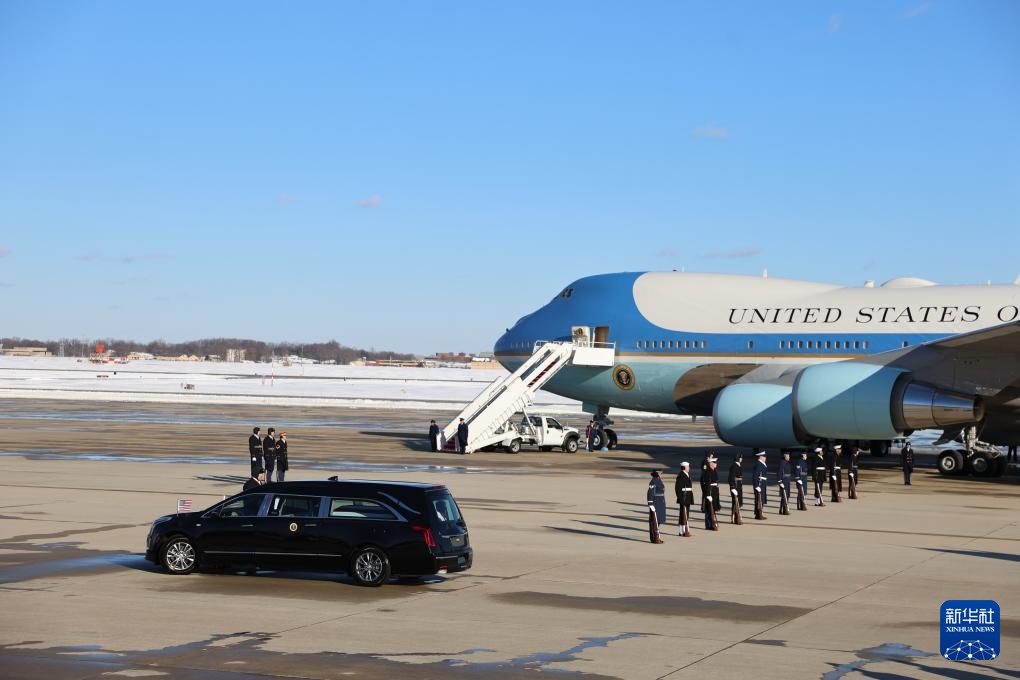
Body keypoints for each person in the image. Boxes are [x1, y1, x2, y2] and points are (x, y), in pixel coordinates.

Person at [701, 455, 720, 531]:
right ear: (711, 463)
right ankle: (708, 525)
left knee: (713, 508)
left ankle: (712, 523)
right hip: (710, 491)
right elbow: (707, 484)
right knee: (709, 509)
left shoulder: (714, 470)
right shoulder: (708, 472)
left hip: (714, 491)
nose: (716, 464)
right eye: (714, 462)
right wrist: (708, 494)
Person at [675, 462, 694, 537]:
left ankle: (685, 530)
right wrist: (680, 498)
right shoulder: (681, 475)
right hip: (684, 497)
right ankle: (681, 531)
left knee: (686, 514)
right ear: (684, 467)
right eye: (688, 467)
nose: (689, 468)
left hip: (687, 496)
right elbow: (677, 489)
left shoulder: (687, 474)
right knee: (683, 514)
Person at [647, 471, 666, 543]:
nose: (661, 474)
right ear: (657, 473)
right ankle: (654, 538)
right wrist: (650, 503)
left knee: (658, 521)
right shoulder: (653, 481)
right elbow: (650, 493)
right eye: (660, 473)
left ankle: (656, 537)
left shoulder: (658, 480)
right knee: (654, 521)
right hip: (656, 503)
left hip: (660, 503)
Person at [728, 452, 744, 525]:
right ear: (738, 458)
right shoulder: (734, 466)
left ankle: (736, 517)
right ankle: (734, 518)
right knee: (735, 502)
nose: (741, 459)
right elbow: (731, 477)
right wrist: (732, 487)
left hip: (739, 485)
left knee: (738, 502)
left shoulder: (738, 465)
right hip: (735, 486)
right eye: (741, 458)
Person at [753, 450, 768, 520]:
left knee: (761, 499)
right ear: (760, 457)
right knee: (759, 499)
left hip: (762, 483)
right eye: (764, 456)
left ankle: (759, 514)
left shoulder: (762, 464)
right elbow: (755, 476)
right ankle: (758, 514)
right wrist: (756, 486)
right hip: (760, 484)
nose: (765, 458)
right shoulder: (759, 464)